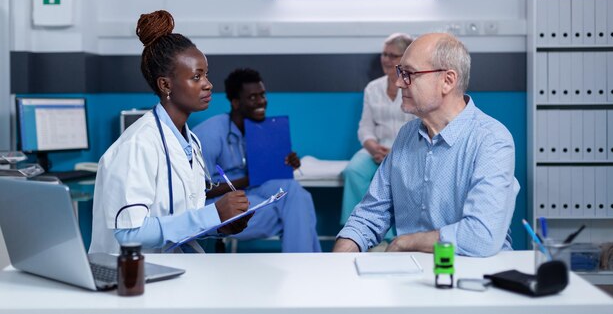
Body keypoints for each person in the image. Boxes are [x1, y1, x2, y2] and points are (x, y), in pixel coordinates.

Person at [333, 33, 519, 257]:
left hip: (475, 274)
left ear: (448, 81)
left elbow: (480, 236)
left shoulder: (491, 140)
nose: (400, 81)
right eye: (401, 73)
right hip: (411, 274)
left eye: (409, 73)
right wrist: (339, 261)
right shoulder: (407, 136)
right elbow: (369, 216)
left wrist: (405, 243)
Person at [90, 10, 251, 254]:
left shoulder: (190, 142)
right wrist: (212, 214)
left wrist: (222, 224)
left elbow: (183, 219)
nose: (208, 84)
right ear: (165, 84)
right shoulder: (137, 145)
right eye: (196, 77)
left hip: (177, 267)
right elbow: (128, 234)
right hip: (134, 276)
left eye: (206, 74)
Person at [193, 68, 321, 252]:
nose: (261, 101)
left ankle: (303, 266)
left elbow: (264, 174)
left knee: (294, 191)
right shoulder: (210, 134)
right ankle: (307, 269)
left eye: (262, 95)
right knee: (298, 214)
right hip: (218, 202)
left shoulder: (261, 130)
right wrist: (250, 179)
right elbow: (197, 193)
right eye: (253, 97)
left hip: (250, 193)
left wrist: (285, 164)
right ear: (236, 103)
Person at [340, 33, 416, 227]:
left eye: (393, 55)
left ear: (406, 58)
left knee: (400, 177)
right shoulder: (372, 88)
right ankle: (355, 229)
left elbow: (420, 126)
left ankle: (389, 236)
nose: (386, 60)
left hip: (407, 151)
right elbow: (365, 127)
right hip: (376, 151)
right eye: (384, 54)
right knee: (353, 171)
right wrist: (373, 147)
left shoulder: (415, 87)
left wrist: (395, 153)